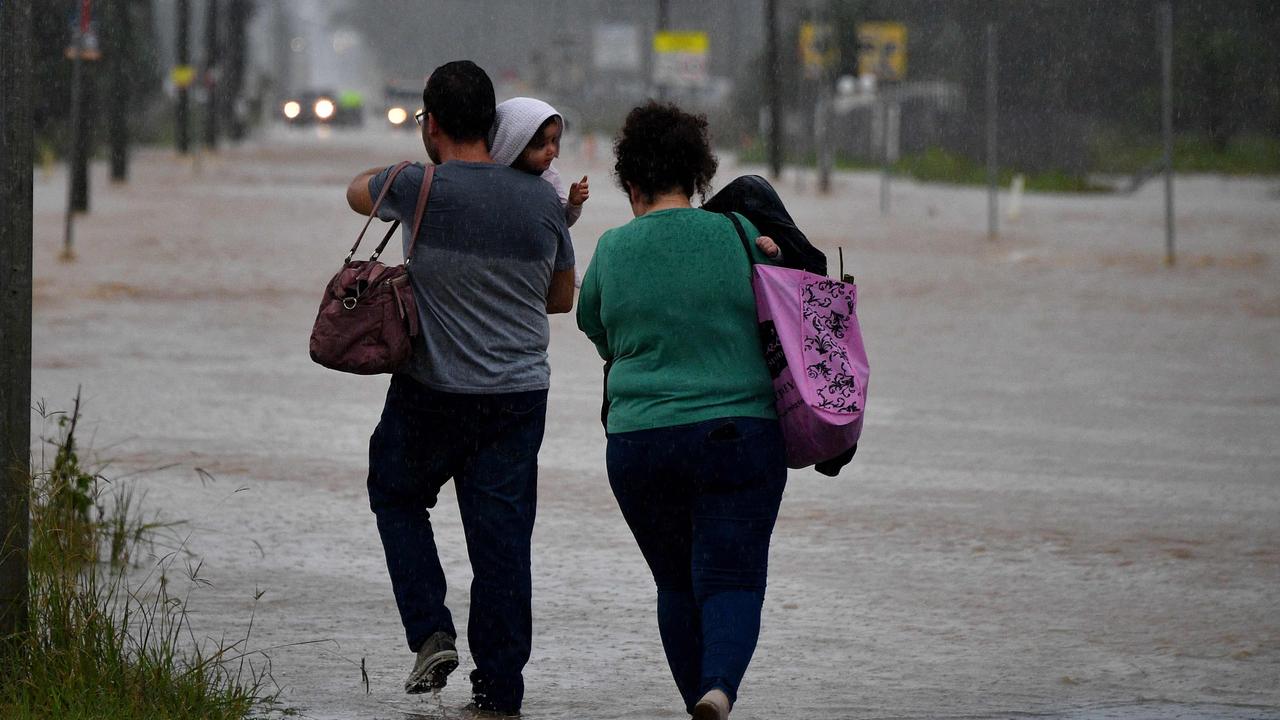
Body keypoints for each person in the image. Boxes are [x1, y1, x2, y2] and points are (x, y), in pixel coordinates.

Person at [345, 60, 575, 718]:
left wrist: (416, 169)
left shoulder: (416, 185)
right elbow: (560, 299)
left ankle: (430, 631)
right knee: (502, 542)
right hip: (517, 398)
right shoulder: (544, 202)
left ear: (435, 124)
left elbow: (354, 192)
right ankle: (500, 691)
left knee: (395, 493)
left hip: (432, 392)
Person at [575, 101, 786, 720]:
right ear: (698, 177)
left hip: (641, 443)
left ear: (631, 182)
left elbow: (597, 327)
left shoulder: (613, 249)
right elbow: (787, 309)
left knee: (675, 581)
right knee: (733, 579)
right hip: (739, 435)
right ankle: (718, 688)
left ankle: (697, 697)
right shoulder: (741, 235)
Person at [489, 96, 590, 229]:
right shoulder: (493, 178)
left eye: (554, 140)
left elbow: (561, 221)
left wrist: (573, 204)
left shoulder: (550, 176)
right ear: (515, 145)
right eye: (541, 145)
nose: (551, 150)